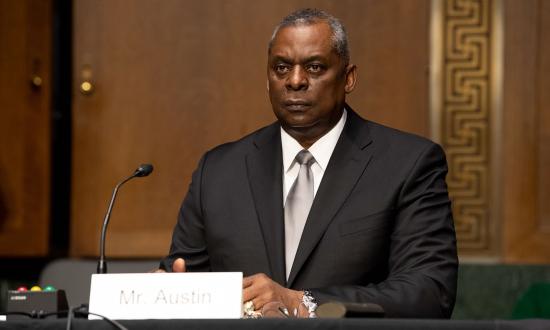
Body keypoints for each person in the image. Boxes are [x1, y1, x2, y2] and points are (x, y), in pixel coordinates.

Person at [159, 8, 458, 318]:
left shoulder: (408, 163)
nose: (296, 81)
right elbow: (180, 277)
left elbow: (430, 291)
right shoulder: (219, 170)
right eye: (281, 68)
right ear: (268, 78)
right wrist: (165, 292)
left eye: (315, 67)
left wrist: (300, 302)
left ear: (349, 78)